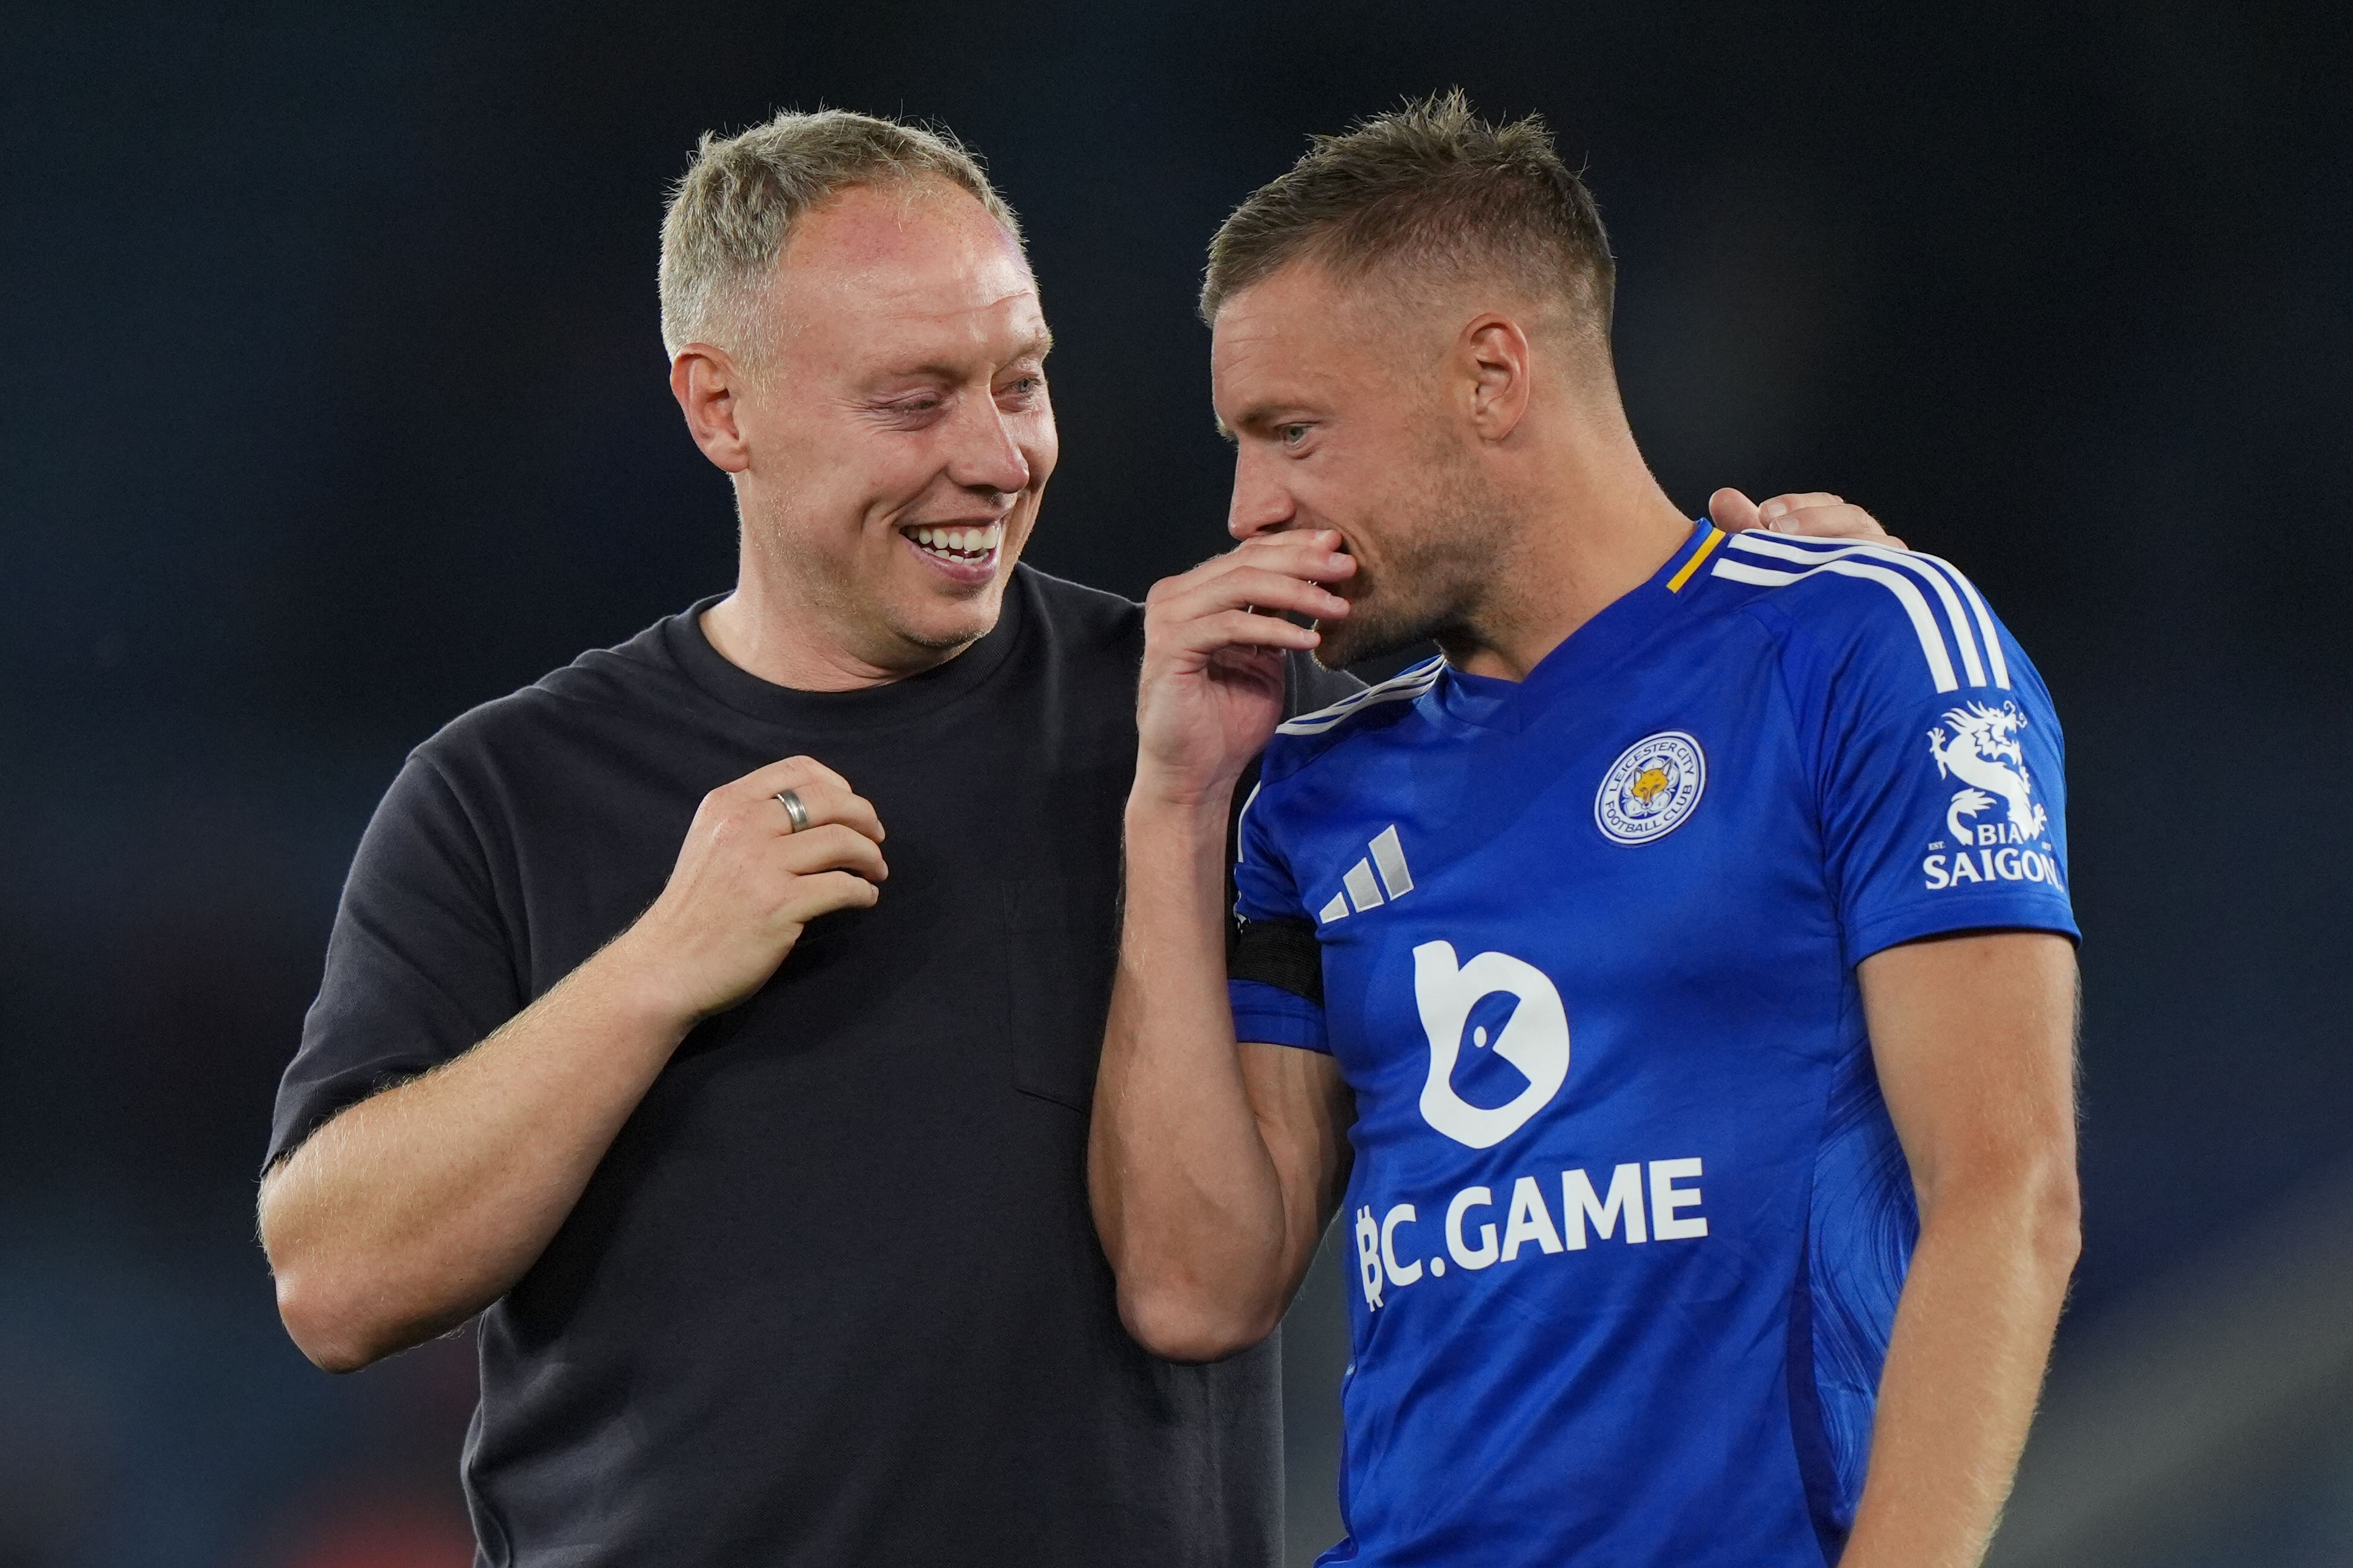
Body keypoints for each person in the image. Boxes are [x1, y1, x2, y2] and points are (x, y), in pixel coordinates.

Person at [257, 105, 1891, 1566]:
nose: (995, 452)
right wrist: (655, 971)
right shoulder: (507, 792)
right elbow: (336, 1276)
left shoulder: (1232, 720)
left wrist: (1737, 617)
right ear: (719, 407)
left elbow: (1574, 778)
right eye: (914, 399)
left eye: (1019, 379)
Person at [1092, 92, 2081, 1568]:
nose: (1247, 505)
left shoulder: (1855, 645)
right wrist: (1170, 807)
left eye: (1292, 431)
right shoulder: (1306, 791)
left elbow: (2009, 1189)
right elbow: (1193, 1288)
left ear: (1492, 375)